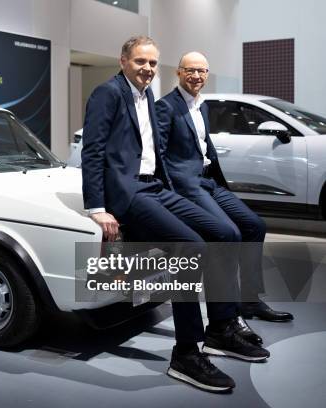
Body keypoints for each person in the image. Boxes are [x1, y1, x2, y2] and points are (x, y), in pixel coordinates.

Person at [81, 36, 269, 393]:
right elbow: (92, 151)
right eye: (140, 62)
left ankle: (222, 327)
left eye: (152, 63)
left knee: (226, 235)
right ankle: (185, 353)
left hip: (156, 187)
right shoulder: (107, 94)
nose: (147, 69)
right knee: (192, 247)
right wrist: (98, 207)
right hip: (129, 193)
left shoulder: (148, 94)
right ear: (123, 61)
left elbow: (156, 150)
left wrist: (169, 186)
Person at [155, 51, 293, 338]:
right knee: (228, 234)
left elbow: (203, 147)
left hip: (210, 183)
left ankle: (250, 300)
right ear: (178, 73)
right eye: (191, 70)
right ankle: (224, 316)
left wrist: (216, 181)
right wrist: (171, 194)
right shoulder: (165, 107)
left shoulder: (202, 106)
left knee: (255, 226)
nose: (197, 76)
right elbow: (159, 156)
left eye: (202, 71)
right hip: (188, 185)